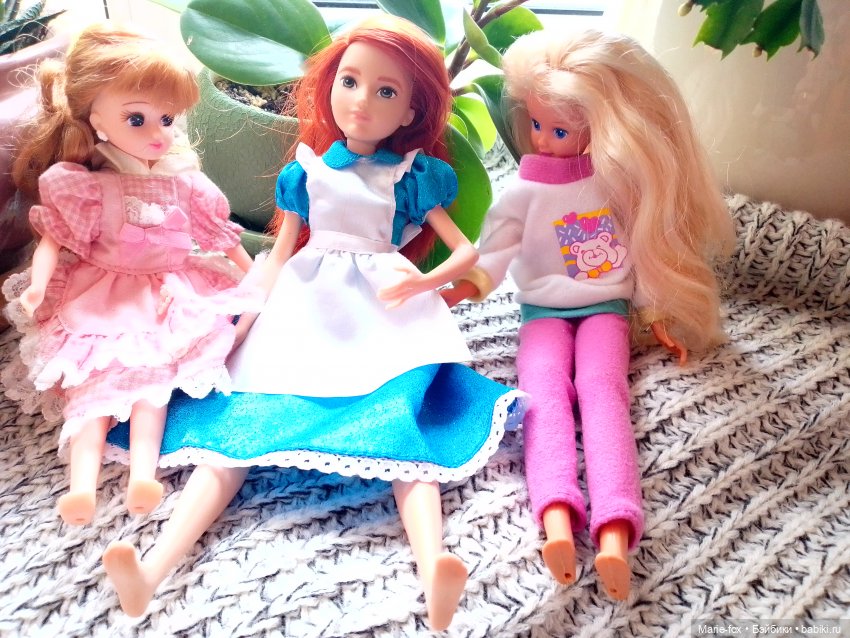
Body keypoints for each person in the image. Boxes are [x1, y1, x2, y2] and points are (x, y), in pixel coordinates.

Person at [101, 15, 525, 630]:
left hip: (385, 309)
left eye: (386, 90)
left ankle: (435, 566)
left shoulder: (411, 176)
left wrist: (422, 282)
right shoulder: (305, 170)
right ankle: (153, 568)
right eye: (350, 81)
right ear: (329, 86)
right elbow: (277, 257)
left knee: (406, 435)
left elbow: (465, 251)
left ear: (411, 111)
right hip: (306, 301)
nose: (362, 100)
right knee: (233, 438)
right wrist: (241, 319)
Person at [443, 28, 735, 599]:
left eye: (560, 129)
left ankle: (615, 531)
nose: (543, 139)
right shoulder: (521, 193)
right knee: (542, 392)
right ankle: (557, 519)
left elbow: (646, 249)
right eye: (536, 125)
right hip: (541, 311)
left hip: (607, 305)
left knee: (603, 390)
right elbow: (495, 252)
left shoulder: (616, 182)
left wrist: (658, 315)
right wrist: (467, 286)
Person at [2, 23, 256, 526]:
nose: (158, 133)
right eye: (136, 119)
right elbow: (54, 237)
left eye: (167, 118)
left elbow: (222, 237)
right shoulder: (85, 186)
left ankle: (144, 475)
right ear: (96, 121)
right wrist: (38, 285)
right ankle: (81, 486)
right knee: (93, 388)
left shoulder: (186, 182)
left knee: (151, 385)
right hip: (104, 290)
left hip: (170, 290)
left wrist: (256, 280)